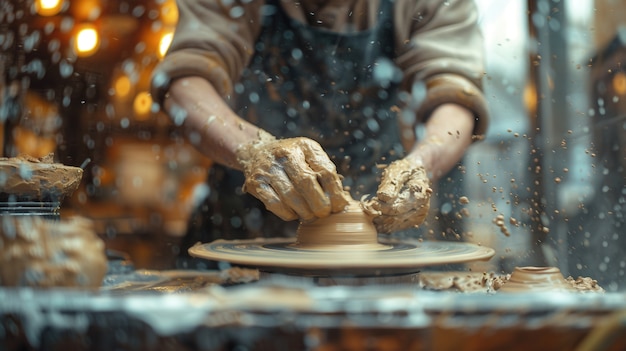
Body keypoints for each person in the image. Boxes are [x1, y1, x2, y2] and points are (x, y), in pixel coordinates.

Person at [150, 0, 489, 267]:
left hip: (382, 226)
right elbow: (185, 80)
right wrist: (253, 151)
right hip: (249, 218)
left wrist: (421, 165)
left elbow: (455, 95)